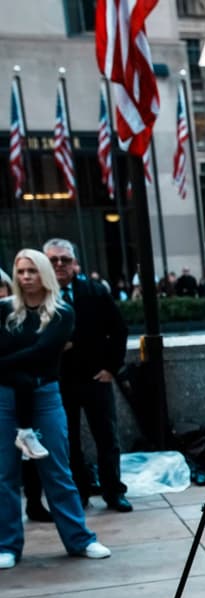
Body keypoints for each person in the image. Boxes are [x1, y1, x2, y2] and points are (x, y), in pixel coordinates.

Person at [0, 250, 111, 569]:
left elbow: (42, 355)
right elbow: (30, 356)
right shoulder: (5, 310)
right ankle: (7, 544)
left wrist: (6, 362)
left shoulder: (62, 312)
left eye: (32, 271)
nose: (25, 277)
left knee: (57, 469)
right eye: (20, 271)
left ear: (44, 274)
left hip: (45, 395)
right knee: (5, 474)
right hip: (6, 398)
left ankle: (79, 539)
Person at [25, 239, 131, 515]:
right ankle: (79, 494)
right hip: (56, 383)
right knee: (67, 441)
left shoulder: (94, 292)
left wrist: (111, 368)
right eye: (53, 260)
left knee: (107, 438)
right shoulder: (36, 296)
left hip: (96, 378)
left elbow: (119, 330)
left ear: (74, 264)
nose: (59, 264)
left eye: (65, 259)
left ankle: (113, 492)